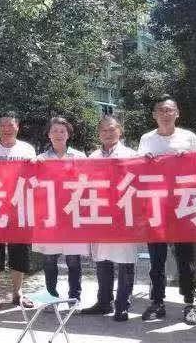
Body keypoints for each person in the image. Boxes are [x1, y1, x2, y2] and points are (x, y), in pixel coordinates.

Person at [138, 94, 196, 324]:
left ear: (177, 113)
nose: (165, 114)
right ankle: (157, 302)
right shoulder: (146, 139)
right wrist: (144, 159)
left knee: (186, 259)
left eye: (169, 110)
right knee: (156, 259)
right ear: (154, 115)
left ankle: (189, 304)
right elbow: (137, 169)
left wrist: (189, 159)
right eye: (161, 111)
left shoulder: (189, 137)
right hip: (156, 206)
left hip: (183, 205)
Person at [81, 116, 138, 321]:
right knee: (102, 259)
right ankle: (104, 302)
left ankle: (122, 305)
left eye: (112, 129)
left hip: (124, 213)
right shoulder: (92, 157)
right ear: (99, 134)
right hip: (100, 212)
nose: (108, 133)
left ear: (120, 131)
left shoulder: (132, 155)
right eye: (104, 130)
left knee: (125, 261)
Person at [0, 111, 37, 310]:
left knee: (19, 251)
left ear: (17, 127)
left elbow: (35, 176)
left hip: (20, 208)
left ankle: (17, 293)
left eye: (10, 125)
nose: (6, 128)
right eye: (2, 125)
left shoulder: (27, 150)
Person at [35, 116, 88, 301]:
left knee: (73, 260)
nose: (58, 134)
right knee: (49, 259)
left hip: (73, 214)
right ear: (48, 134)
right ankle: (52, 297)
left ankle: (74, 298)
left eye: (62, 131)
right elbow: (34, 185)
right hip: (49, 215)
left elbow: (87, 183)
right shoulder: (40, 159)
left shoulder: (80, 157)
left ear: (68, 134)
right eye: (54, 131)